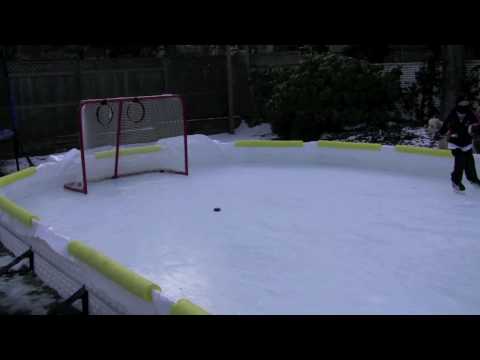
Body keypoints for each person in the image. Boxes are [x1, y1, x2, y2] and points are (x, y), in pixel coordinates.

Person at [436, 96, 480, 191]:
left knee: (469, 163)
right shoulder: (452, 115)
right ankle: (456, 181)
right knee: (460, 161)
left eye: (466, 104)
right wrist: (439, 134)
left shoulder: (470, 114)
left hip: (467, 143)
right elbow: (445, 127)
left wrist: (476, 130)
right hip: (454, 143)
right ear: (457, 104)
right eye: (462, 104)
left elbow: (477, 126)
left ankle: (473, 179)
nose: (464, 106)